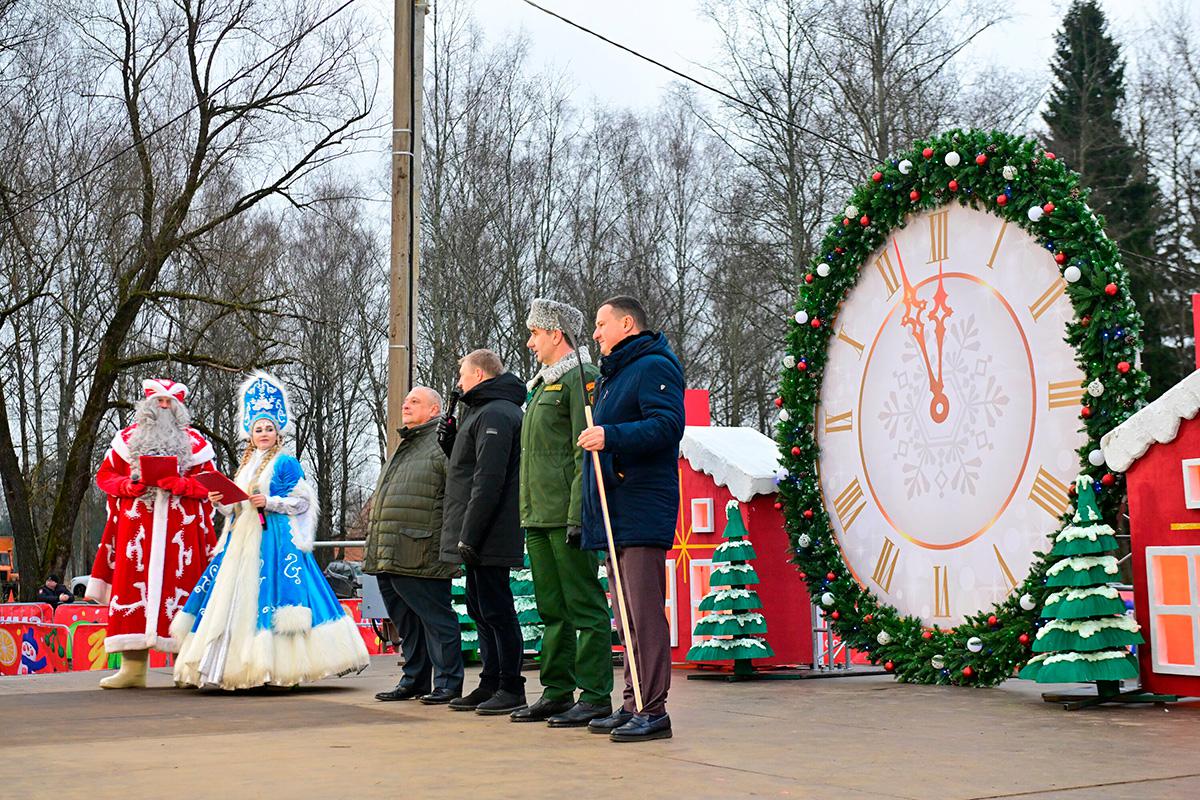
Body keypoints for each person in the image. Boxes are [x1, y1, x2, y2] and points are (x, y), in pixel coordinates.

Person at [171, 372, 369, 690]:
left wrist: (271, 501)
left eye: (268, 428)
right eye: (258, 429)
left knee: (274, 596)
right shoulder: (245, 465)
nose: (263, 433)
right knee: (234, 601)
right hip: (240, 542)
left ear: (278, 432)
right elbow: (236, 508)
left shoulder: (286, 462)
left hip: (274, 540)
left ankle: (279, 667)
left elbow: (302, 502)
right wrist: (220, 501)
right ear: (251, 434)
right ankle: (234, 667)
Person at [578, 296, 685, 742]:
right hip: (616, 509)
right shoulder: (614, 376)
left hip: (640, 506)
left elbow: (667, 426)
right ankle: (632, 701)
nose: (596, 333)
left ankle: (653, 708)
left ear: (627, 323)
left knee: (642, 611)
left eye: (602, 325)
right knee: (625, 616)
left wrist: (610, 435)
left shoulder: (653, 366)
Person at [511, 299, 614, 727]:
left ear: (556, 334)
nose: (531, 341)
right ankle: (556, 691)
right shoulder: (539, 387)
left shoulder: (581, 379)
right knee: (551, 610)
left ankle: (593, 695)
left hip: (567, 517)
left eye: (536, 333)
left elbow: (582, 456)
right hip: (537, 516)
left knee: (584, 607)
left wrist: (578, 516)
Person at [86, 378, 219, 689]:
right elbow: (105, 476)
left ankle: (187, 666)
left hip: (181, 534)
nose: (163, 407)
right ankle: (132, 669)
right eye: (158, 401)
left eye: (169, 403)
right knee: (132, 594)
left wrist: (183, 485)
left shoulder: (197, 445)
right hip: (136, 533)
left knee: (184, 596)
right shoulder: (126, 440)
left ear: (179, 408)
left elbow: (213, 486)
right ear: (147, 404)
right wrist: (127, 486)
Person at [438, 349, 528, 715]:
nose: (458, 382)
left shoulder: (496, 413)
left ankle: (511, 685)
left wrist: (470, 535)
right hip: (477, 527)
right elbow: (468, 468)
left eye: (462, 374)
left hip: (490, 528)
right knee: (480, 606)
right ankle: (490, 681)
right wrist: (450, 442)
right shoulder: (480, 411)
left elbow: (488, 480)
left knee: (496, 608)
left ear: (478, 374)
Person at [366, 386, 464, 705]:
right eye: (405, 400)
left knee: (436, 620)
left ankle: (448, 683)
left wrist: (449, 546)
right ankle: (415, 679)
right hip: (391, 551)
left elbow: (456, 496)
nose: (405, 405)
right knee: (408, 623)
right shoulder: (408, 444)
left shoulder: (441, 443)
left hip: (422, 551)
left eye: (415, 402)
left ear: (434, 410)